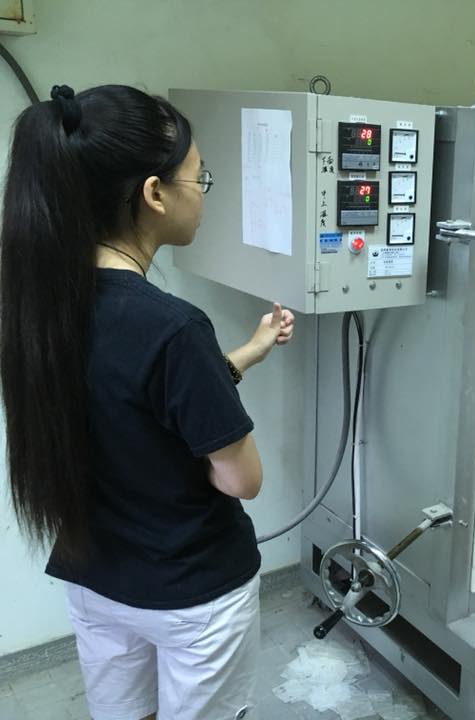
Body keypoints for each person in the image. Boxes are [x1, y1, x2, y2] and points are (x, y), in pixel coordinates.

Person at [0, 84, 295, 720]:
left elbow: (130, 409)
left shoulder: (38, 308)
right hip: (192, 593)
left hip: (96, 578)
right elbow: (241, 480)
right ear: (154, 193)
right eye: (200, 177)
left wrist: (245, 354)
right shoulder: (173, 327)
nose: (203, 194)